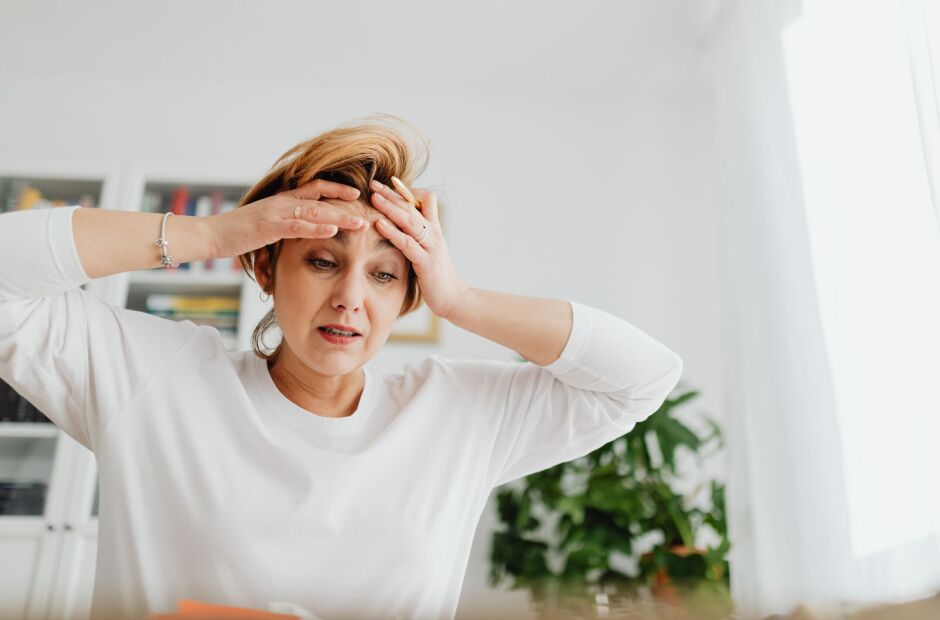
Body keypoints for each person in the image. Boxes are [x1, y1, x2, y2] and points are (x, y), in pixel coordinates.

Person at [0, 114, 684, 620]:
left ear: (409, 296)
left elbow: (643, 377)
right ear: (268, 264)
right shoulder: (156, 379)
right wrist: (214, 233)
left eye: (386, 276)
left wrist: (460, 299)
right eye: (323, 260)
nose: (349, 299)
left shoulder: (458, 414)